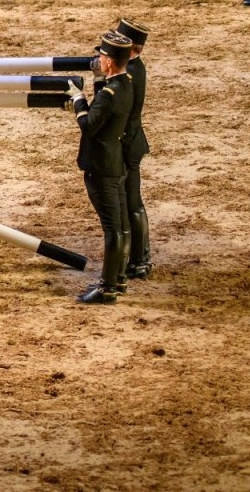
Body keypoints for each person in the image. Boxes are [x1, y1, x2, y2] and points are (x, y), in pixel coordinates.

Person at [67, 30, 134, 305]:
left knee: (112, 228)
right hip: (115, 162)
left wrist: (78, 100)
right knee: (121, 225)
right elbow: (104, 110)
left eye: (102, 56)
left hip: (100, 166)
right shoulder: (125, 85)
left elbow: (89, 125)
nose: (100, 60)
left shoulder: (109, 94)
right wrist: (96, 85)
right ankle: (118, 279)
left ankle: (107, 288)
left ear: (109, 61)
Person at [114, 18, 152, 280]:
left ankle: (140, 259)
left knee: (132, 202)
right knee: (131, 202)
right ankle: (139, 258)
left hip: (126, 144)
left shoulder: (129, 73)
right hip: (131, 141)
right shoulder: (134, 68)